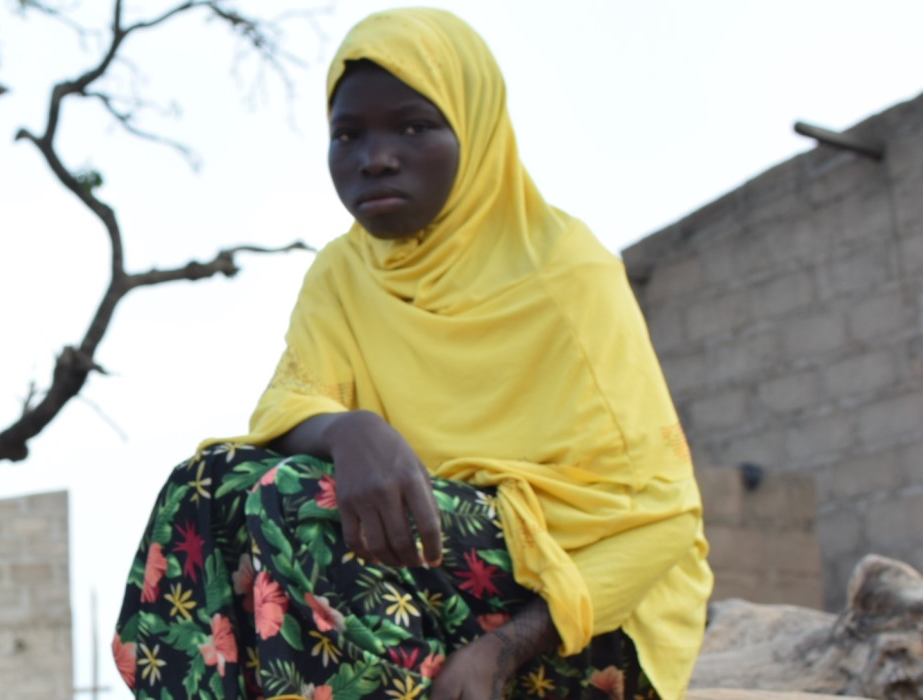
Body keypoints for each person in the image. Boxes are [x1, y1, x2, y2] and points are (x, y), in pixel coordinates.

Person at [110, 9, 711, 700]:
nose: (375, 157)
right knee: (207, 484)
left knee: (299, 501)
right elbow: (288, 406)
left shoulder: (563, 272)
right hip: (416, 592)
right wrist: (350, 428)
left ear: (476, 130)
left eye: (414, 126)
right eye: (348, 134)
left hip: (580, 628)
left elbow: (664, 524)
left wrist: (500, 651)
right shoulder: (343, 274)